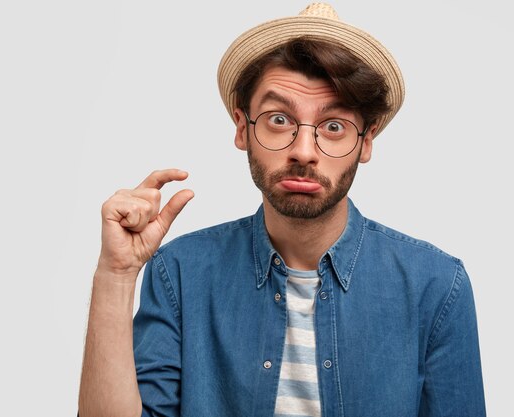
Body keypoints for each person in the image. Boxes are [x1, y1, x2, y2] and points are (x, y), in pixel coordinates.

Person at [78, 3, 485, 417]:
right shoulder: (180, 273)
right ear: (242, 127)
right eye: (278, 119)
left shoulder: (437, 287)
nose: (303, 152)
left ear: (365, 141)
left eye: (333, 127)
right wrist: (116, 274)